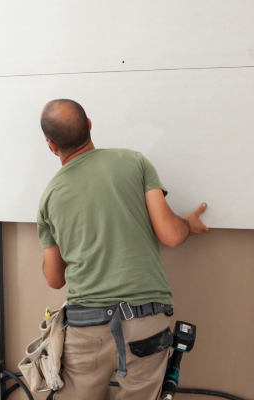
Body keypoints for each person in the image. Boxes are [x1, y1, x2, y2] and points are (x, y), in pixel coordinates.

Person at [37, 99, 209, 400]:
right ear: (89, 124)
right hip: (146, 322)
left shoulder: (49, 196)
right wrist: (189, 223)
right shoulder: (134, 162)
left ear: (51, 146)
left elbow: (54, 278)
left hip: (85, 327)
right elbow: (169, 234)